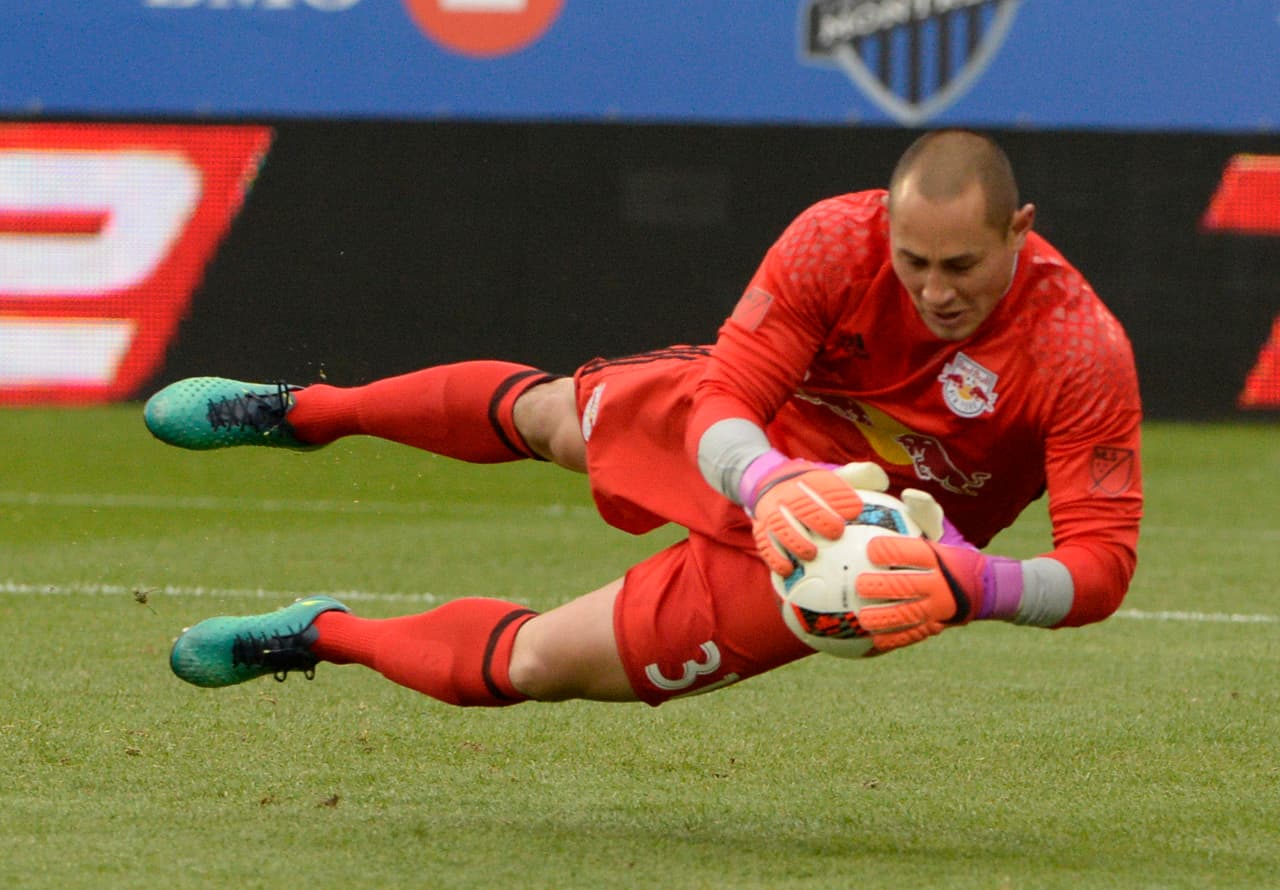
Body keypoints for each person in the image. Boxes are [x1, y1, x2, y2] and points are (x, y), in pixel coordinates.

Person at [144, 129, 1143, 708]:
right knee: (546, 417)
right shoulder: (830, 243)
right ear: (882, 221)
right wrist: (764, 478)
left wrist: (974, 582)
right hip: (762, 449)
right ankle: (306, 411)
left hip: (852, 553)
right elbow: (724, 396)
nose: (931, 290)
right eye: (911, 262)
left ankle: (321, 634)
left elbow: (1097, 569)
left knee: (535, 665)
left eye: (960, 266)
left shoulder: (1077, 349)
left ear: (1019, 231)